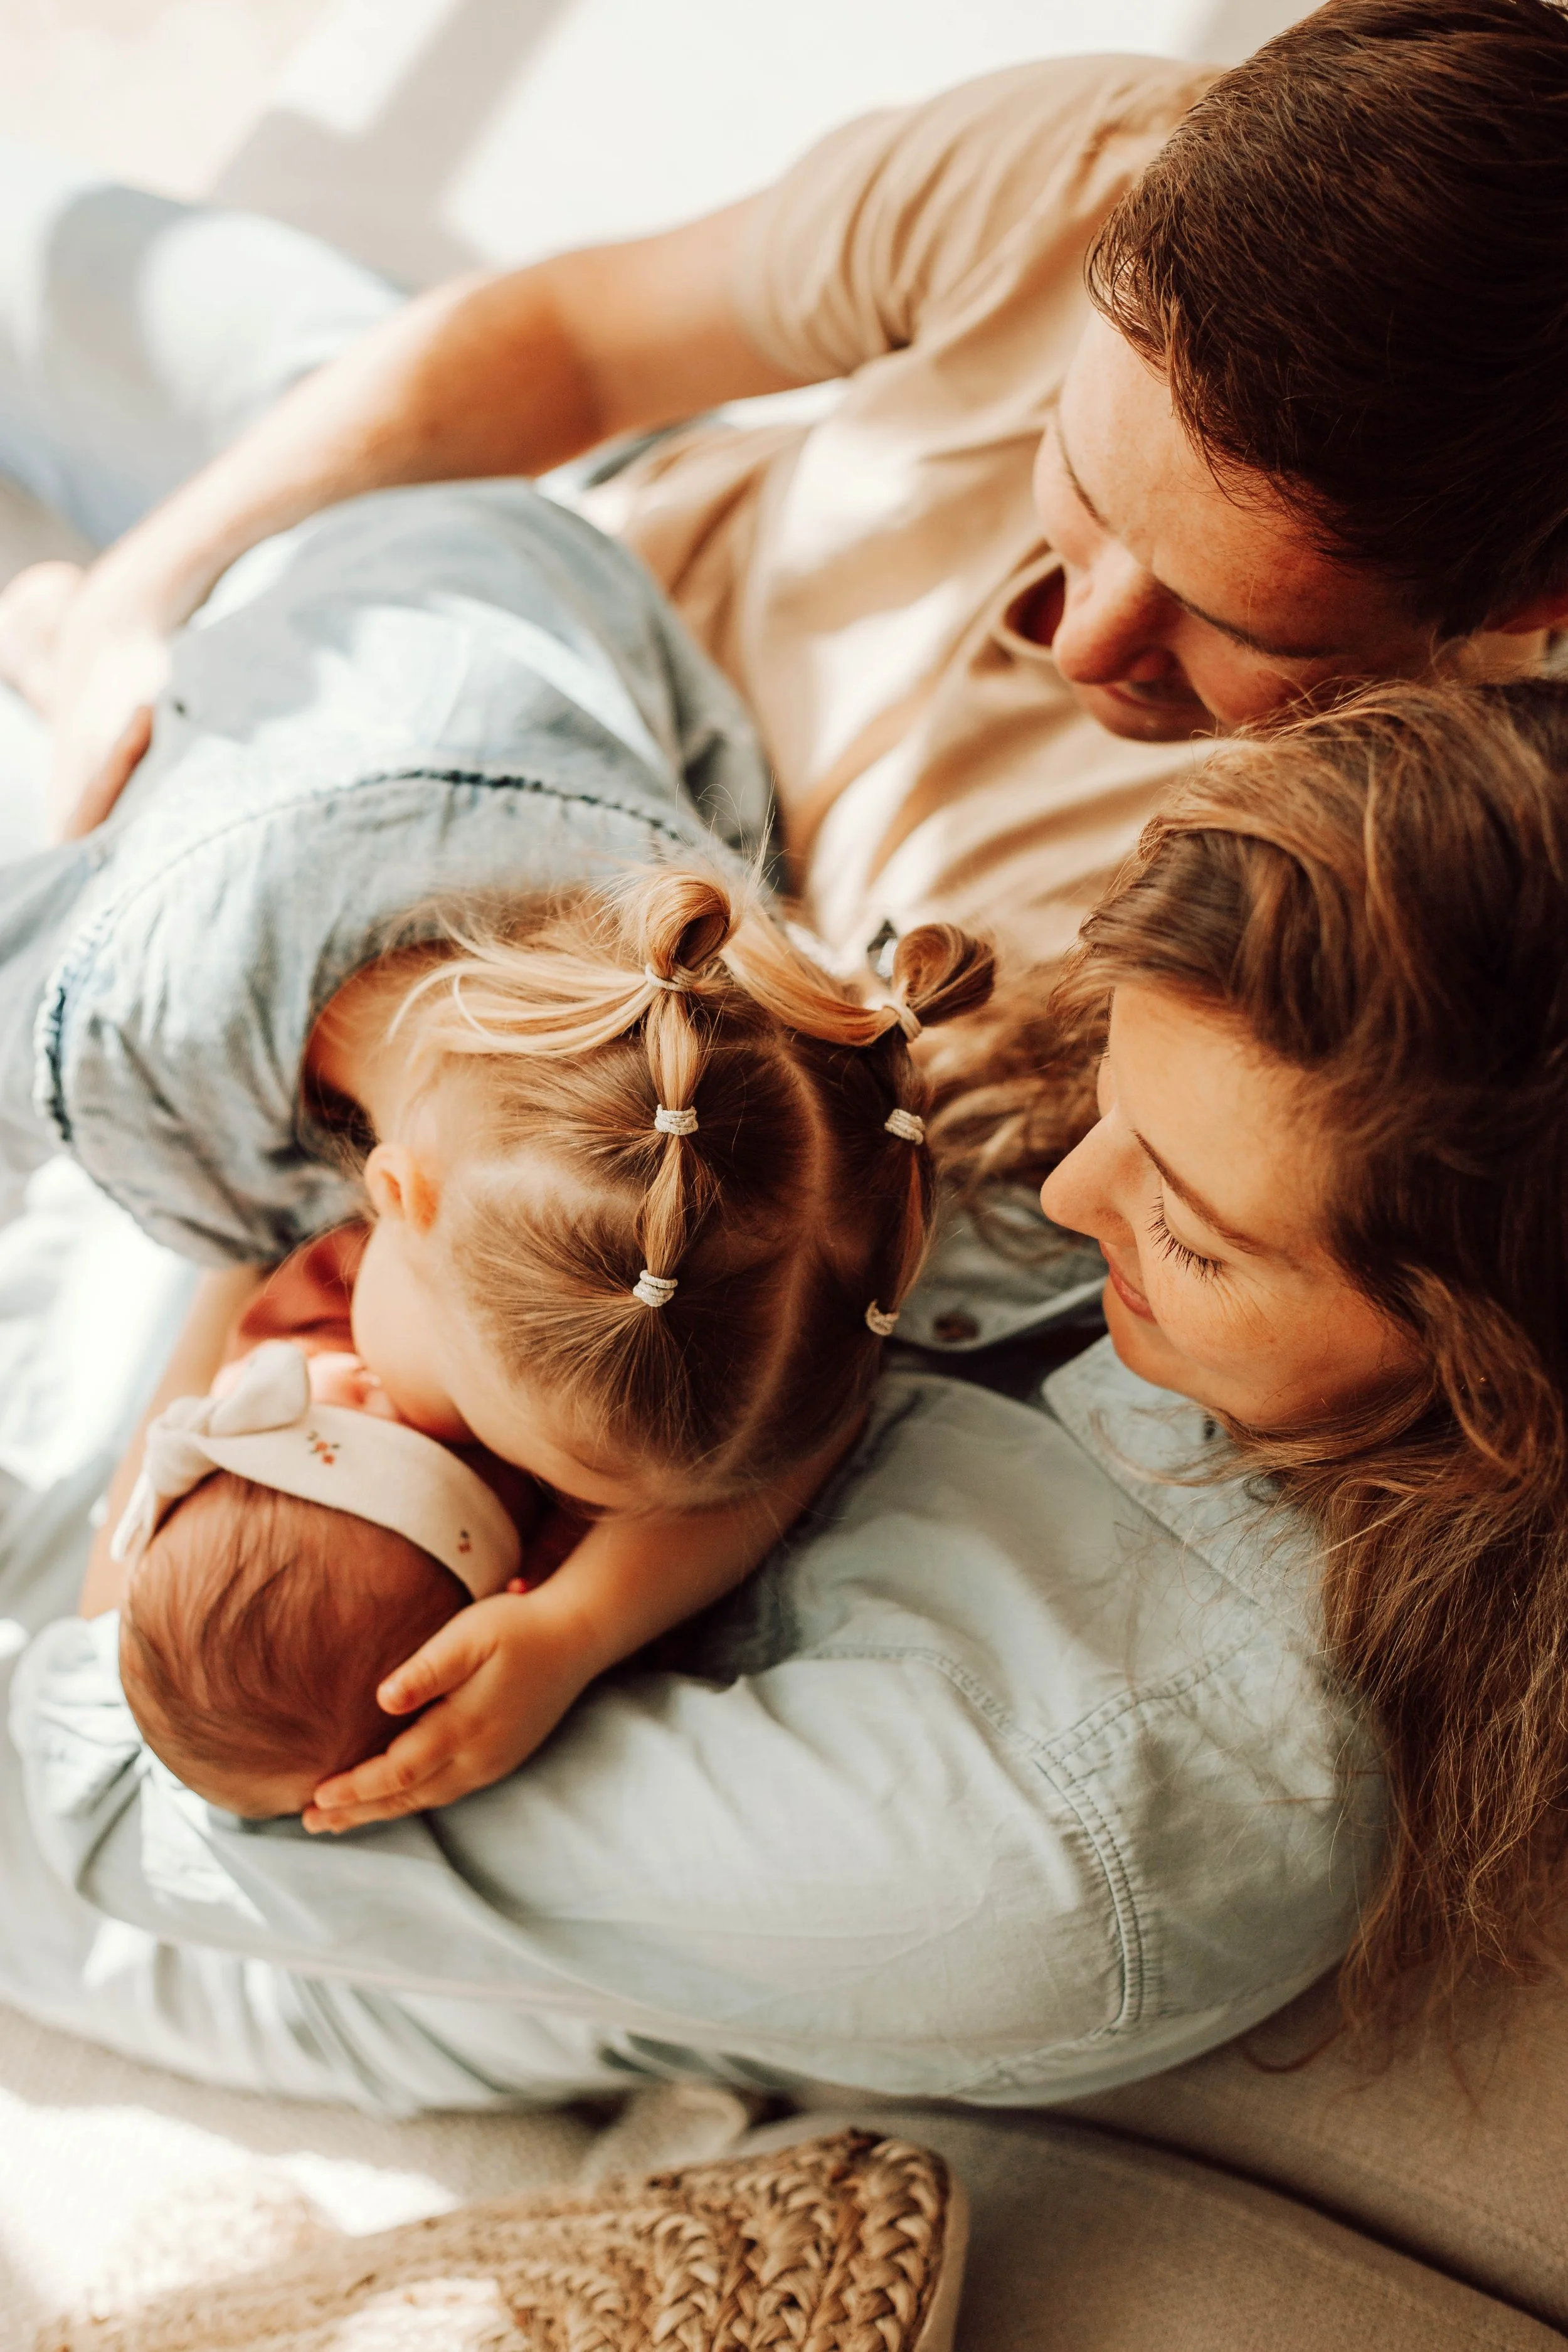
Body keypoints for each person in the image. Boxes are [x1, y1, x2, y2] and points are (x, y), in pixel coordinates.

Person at [0, 675, 1560, 2115]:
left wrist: (251, 1280)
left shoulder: (1063, 1828)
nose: (1069, 1190)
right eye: (1114, 1108)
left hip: (139, 1711)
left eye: (1192, 1239)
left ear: (1491, 1390)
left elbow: (107, 1791)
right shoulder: (1239, 1108)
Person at [1, 0, 1564, 985]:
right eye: (1078, 485)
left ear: (1519, 612)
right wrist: (142, 598)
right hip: (567, 542)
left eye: (1224, 623)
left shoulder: (1443, 891)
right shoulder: (1083, 162)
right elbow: (570, 343)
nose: (1082, 642)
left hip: (539, 915)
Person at [81, 862, 990, 1828]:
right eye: (475, 1422)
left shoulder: (717, 1061)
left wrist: (583, 1624)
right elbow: (108, 1621)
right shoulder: (153, 1056)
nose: (449, 1434)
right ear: (395, 1197)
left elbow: (785, 1443)